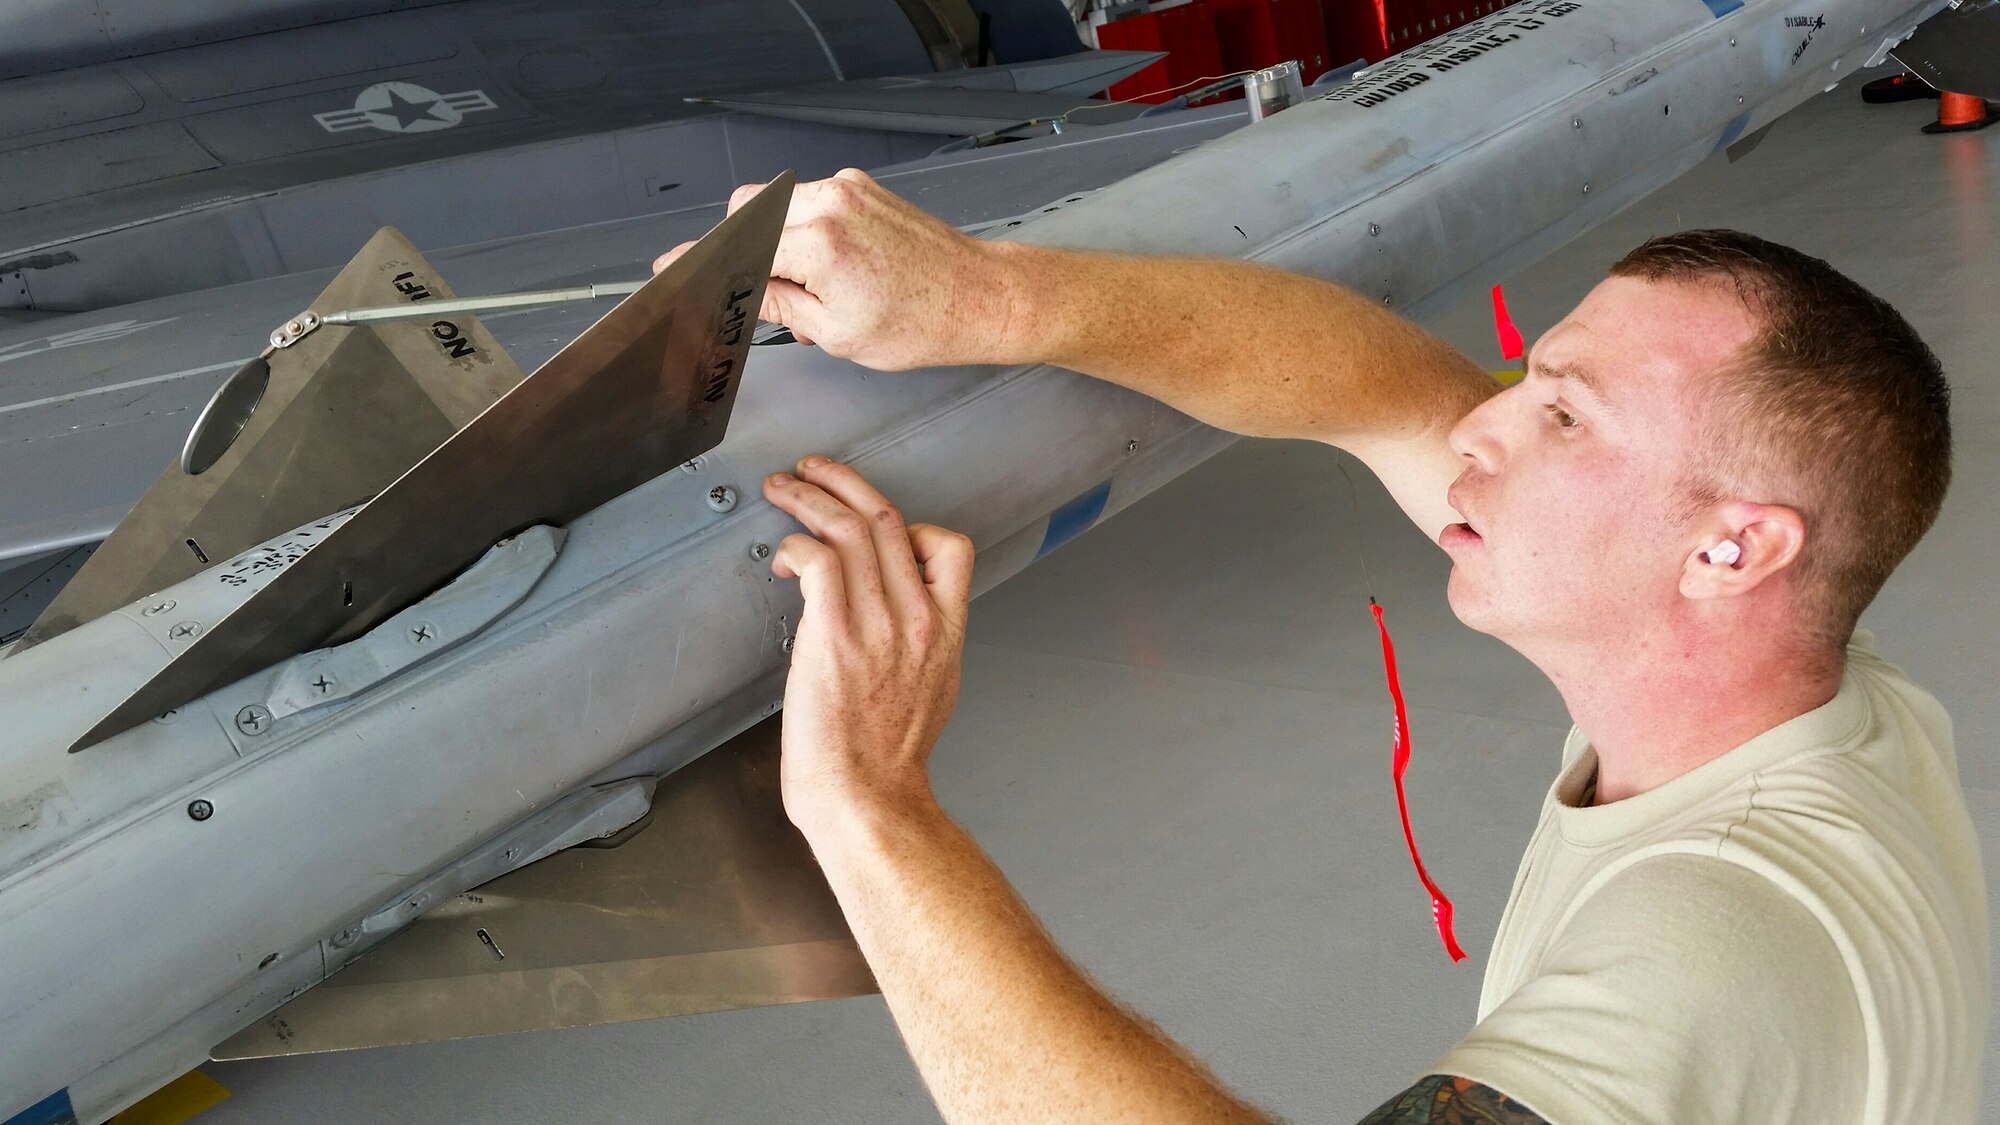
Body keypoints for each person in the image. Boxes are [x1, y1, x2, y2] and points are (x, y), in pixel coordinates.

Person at [653, 170, 1988, 1123]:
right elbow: (1382, 389)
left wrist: (870, 809)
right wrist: (985, 295)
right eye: (1531, 383)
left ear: (1734, 550)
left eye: (1566, 420)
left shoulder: (1707, 947)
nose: (1483, 425)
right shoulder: (1797, 687)